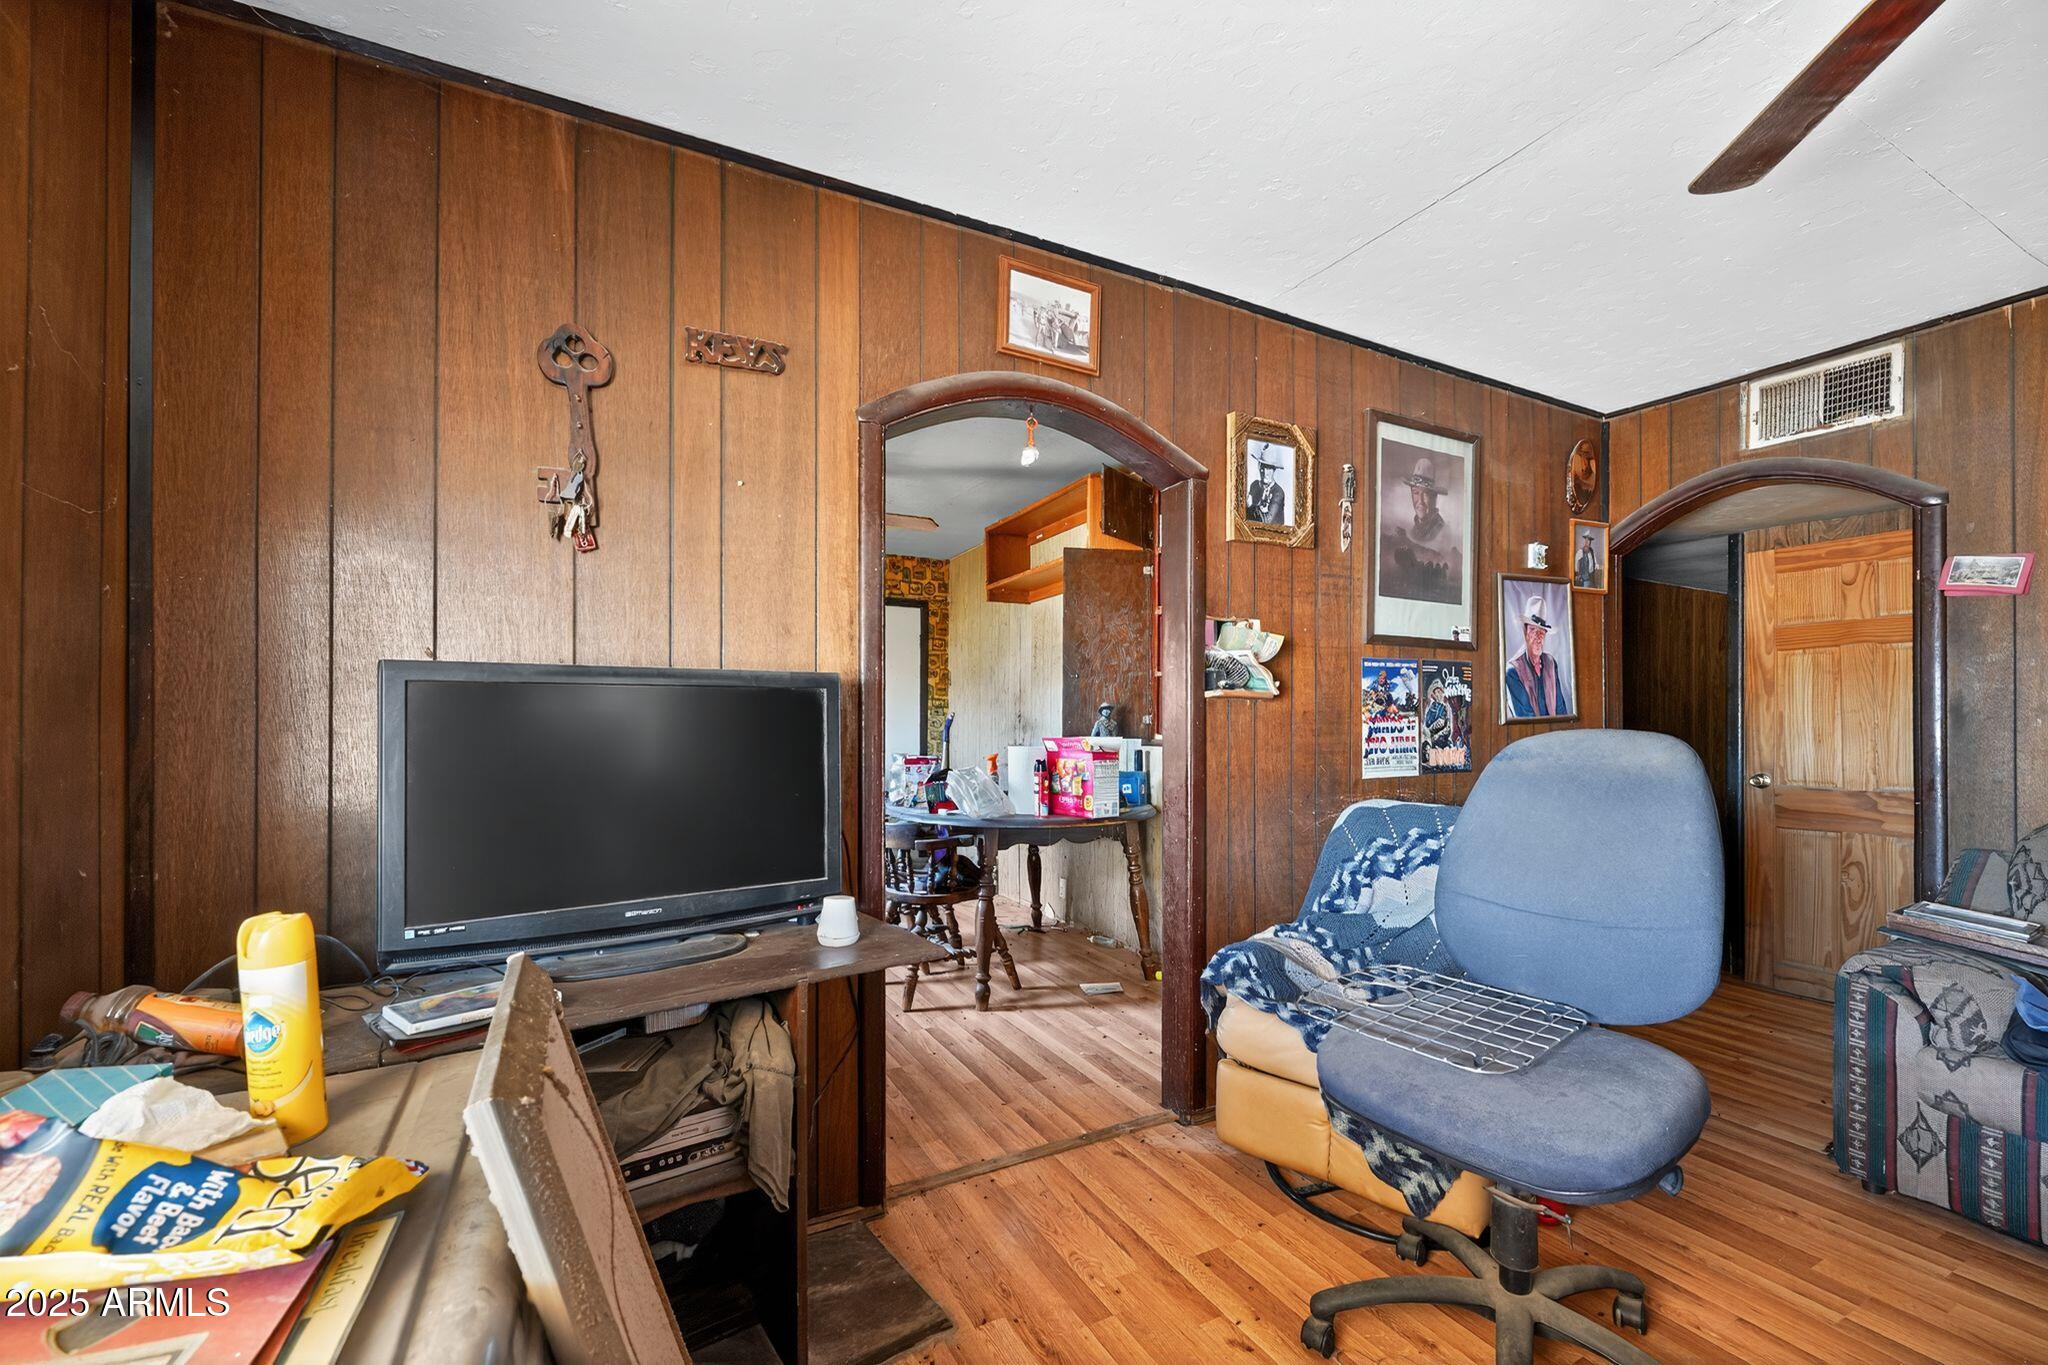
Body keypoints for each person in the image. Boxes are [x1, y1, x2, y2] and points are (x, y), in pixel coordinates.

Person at [1504, 594, 1571, 718]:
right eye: (1533, 630)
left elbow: (1561, 708)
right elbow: (1525, 717)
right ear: (1525, 632)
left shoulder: (1550, 663)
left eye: (1541, 632)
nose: (1538, 637)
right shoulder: (1512, 671)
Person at [1246, 454, 1287, 525]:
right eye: (1263, 467)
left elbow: (1266, 522)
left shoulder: (1278, 492)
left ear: (1274, 470)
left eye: (1268, 468)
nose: (1265, 473)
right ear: (1259, 467)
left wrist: (1250, 507)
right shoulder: (1255, 485)